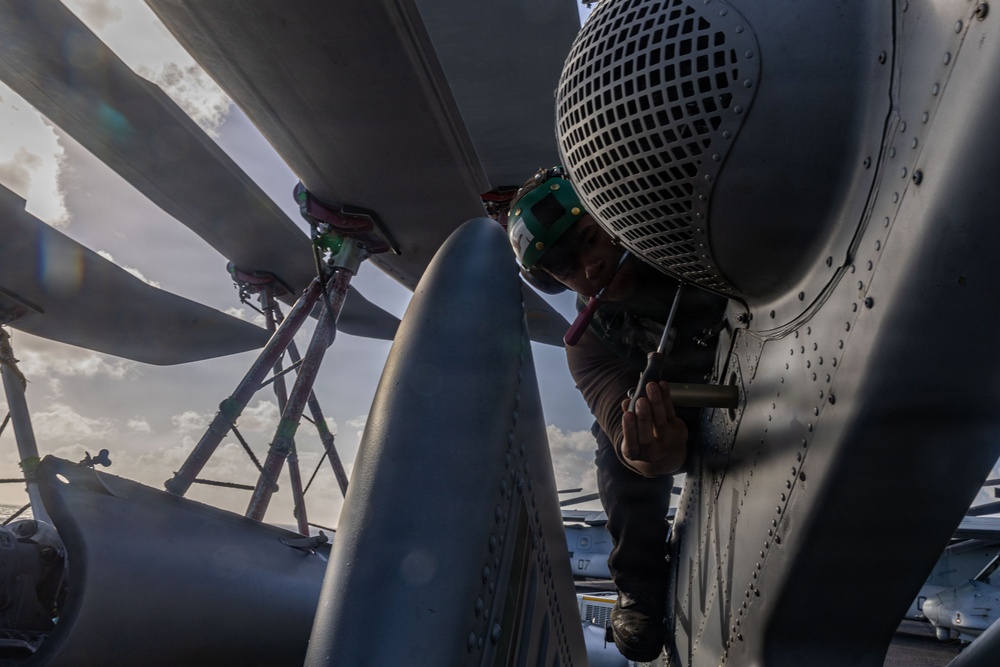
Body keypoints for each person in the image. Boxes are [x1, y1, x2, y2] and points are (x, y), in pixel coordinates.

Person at [507, 167, 728, 661]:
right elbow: (617, 417)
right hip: (700, 426)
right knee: (615, 447)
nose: (590, 269)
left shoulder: (694, 232)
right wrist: (651, 456)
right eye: (567, 268)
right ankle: (639, 587)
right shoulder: (587, 343)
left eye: (589, 241)